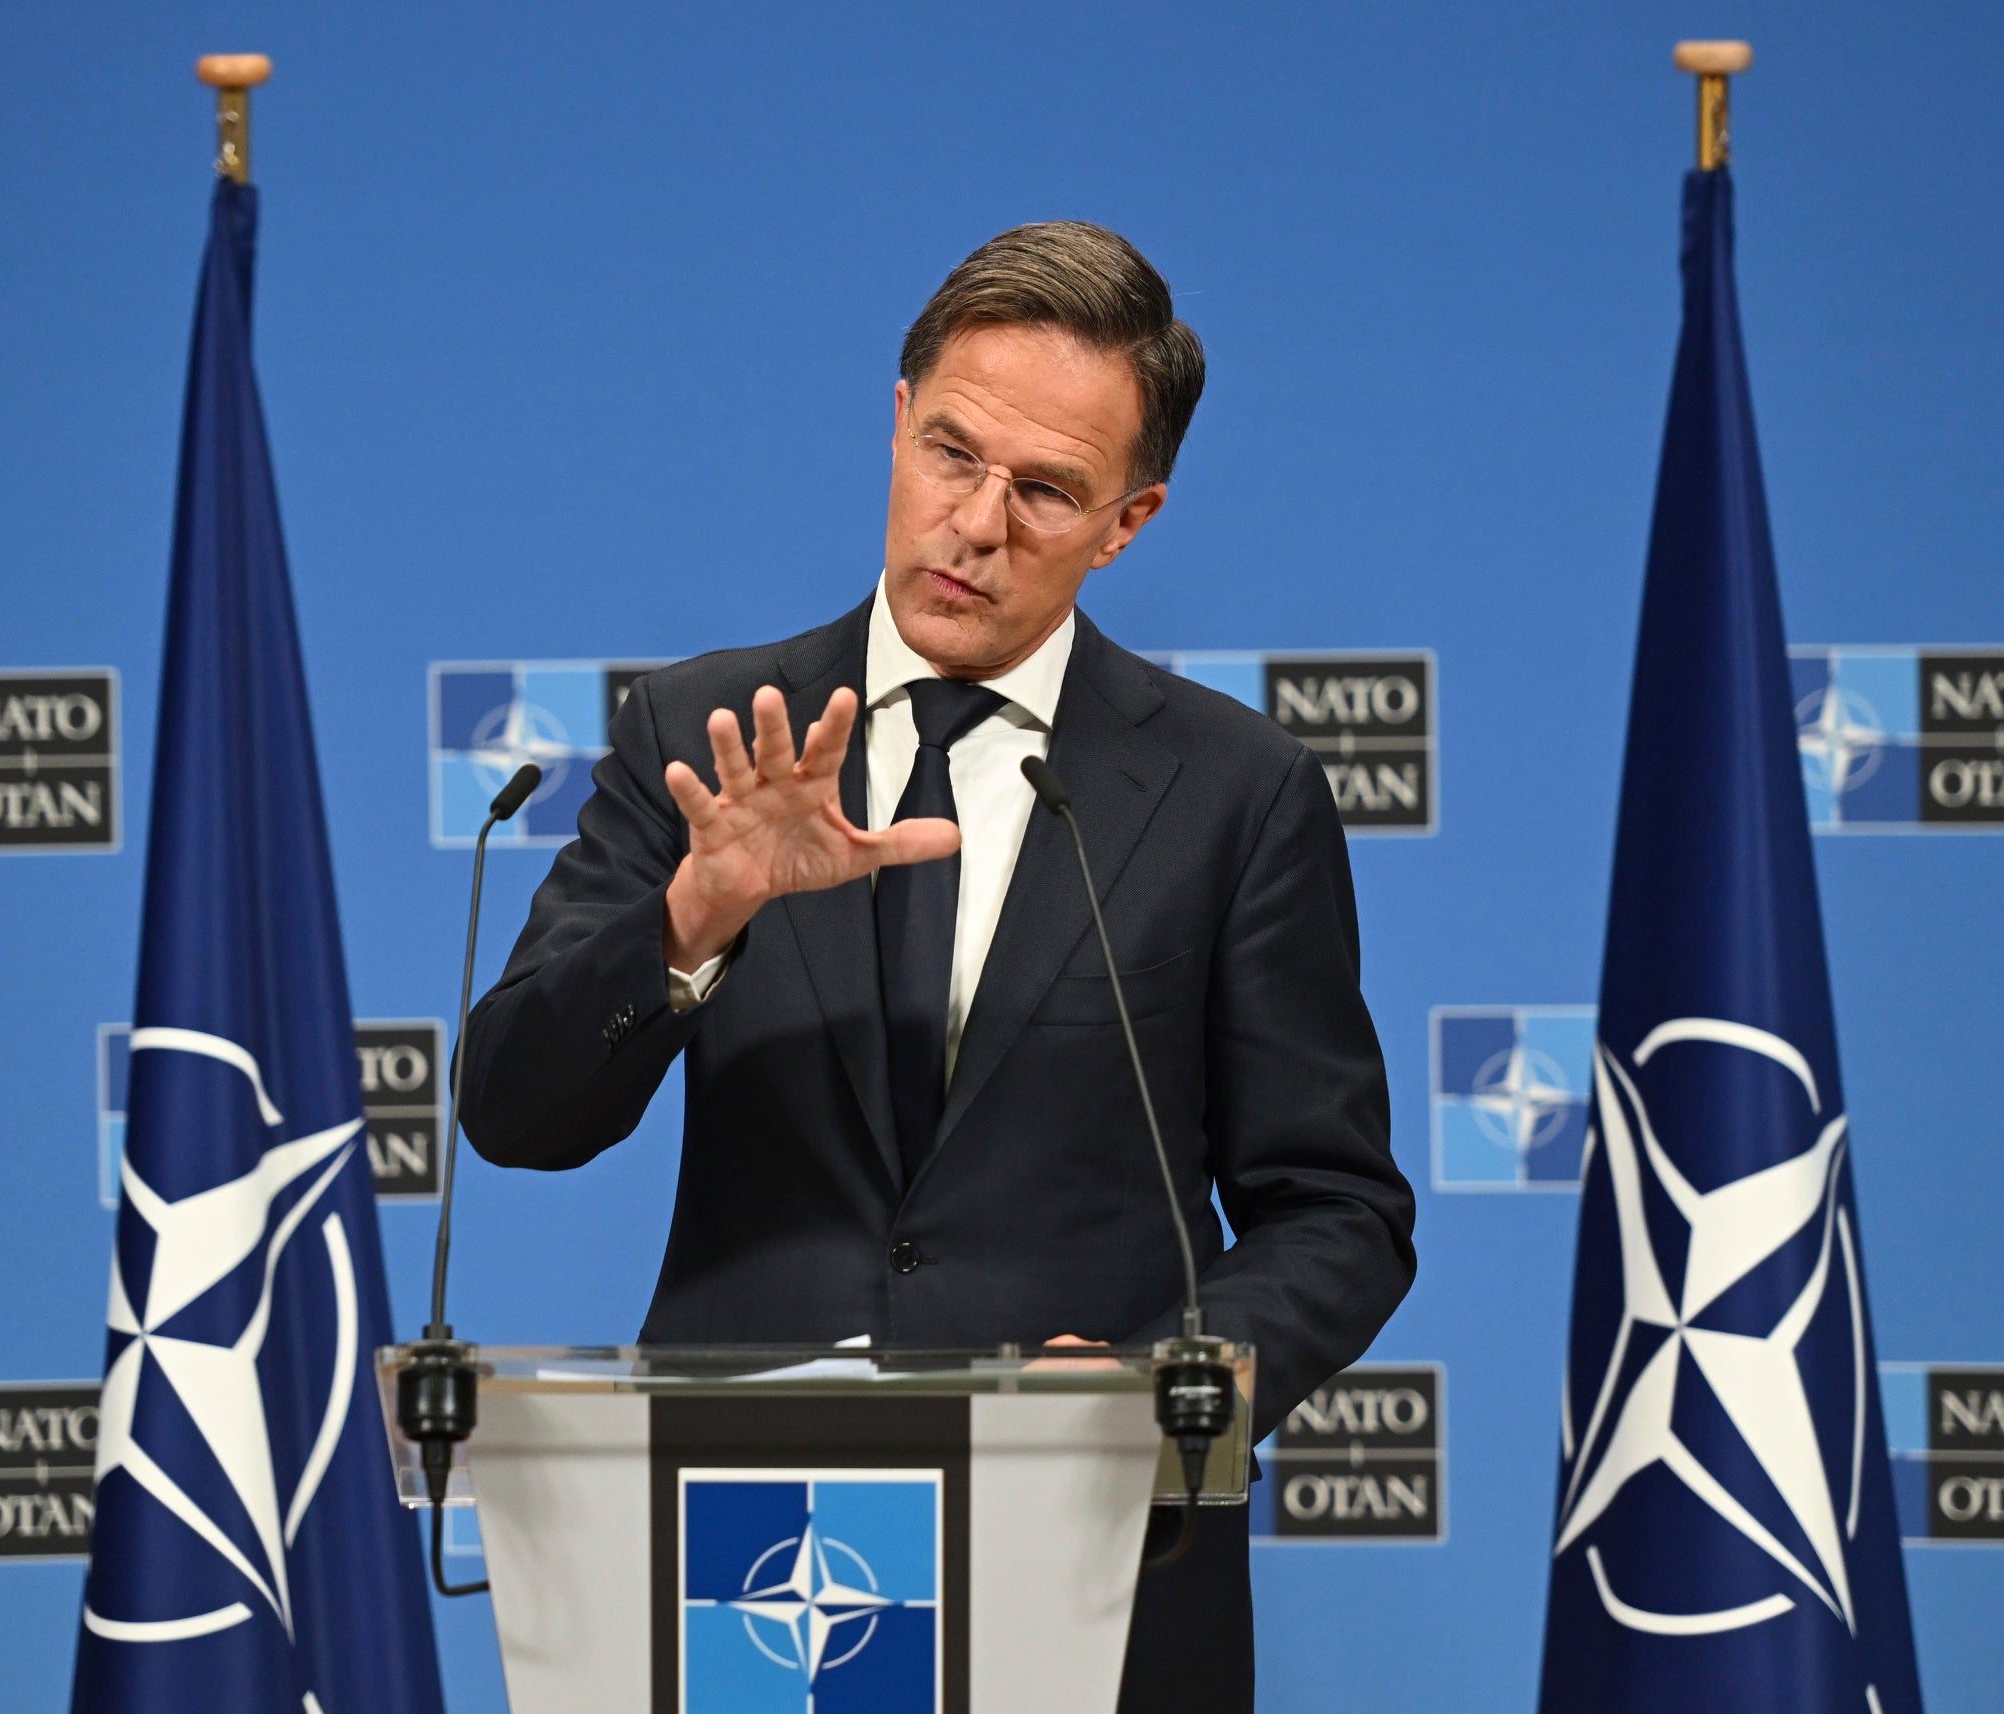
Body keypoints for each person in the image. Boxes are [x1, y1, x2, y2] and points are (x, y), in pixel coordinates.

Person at [459, 221, 1414, 1712]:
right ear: (897, 417)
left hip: (1089, 1565)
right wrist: (690, 922)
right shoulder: (707, 733)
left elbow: (1339, 1210)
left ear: (1130, 520)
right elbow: (516, 1109)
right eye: (953, 454)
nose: (975, 523)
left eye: (1044, 493)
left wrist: (1160, 1386)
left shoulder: (1235, 793)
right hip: (738, 1559)